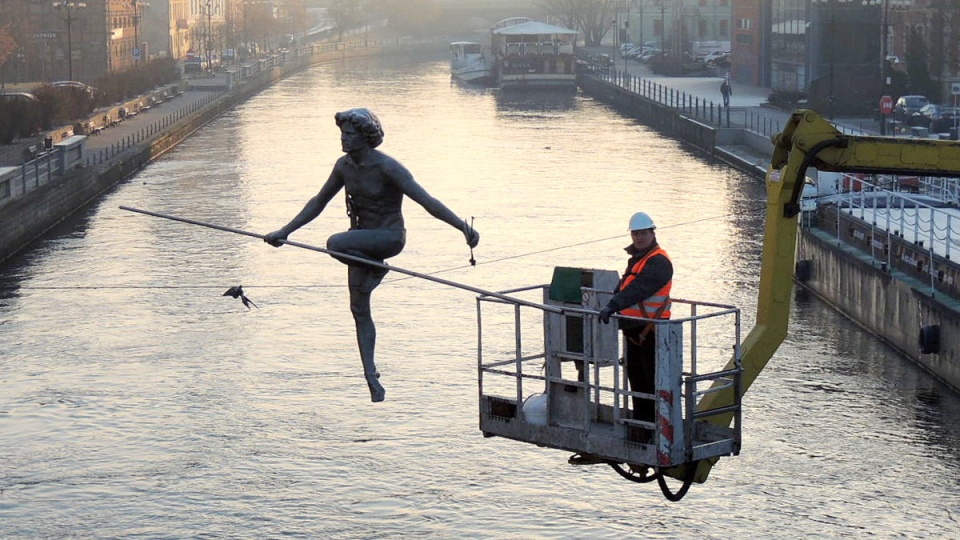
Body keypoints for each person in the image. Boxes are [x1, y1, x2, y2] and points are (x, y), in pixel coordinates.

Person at [263, 108, 480, 403]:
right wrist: (285, 231)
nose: (343, 139)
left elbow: (427, 201)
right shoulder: (343, 166)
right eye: (342, 133)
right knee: (358, 309)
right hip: (361, 243)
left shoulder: (388, 167)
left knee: (334, 243)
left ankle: (378, 268)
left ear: (365, 138)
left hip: (388, 238)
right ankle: (370, 375)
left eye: (349, 135)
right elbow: (318, 202)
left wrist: (462, 228)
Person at [568, 211, 672, 466]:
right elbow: (625, 286)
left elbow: (637, 290)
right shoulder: (638, 259)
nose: (639, 237)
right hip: (635, 332)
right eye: (636, 234)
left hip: (652, 332)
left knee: (650, 384)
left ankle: (653, 431)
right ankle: (642, 428)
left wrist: (612, 305)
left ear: (652, 233)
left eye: (643, 233)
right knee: (637, 381)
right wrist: (613, 304)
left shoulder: (659, 262)